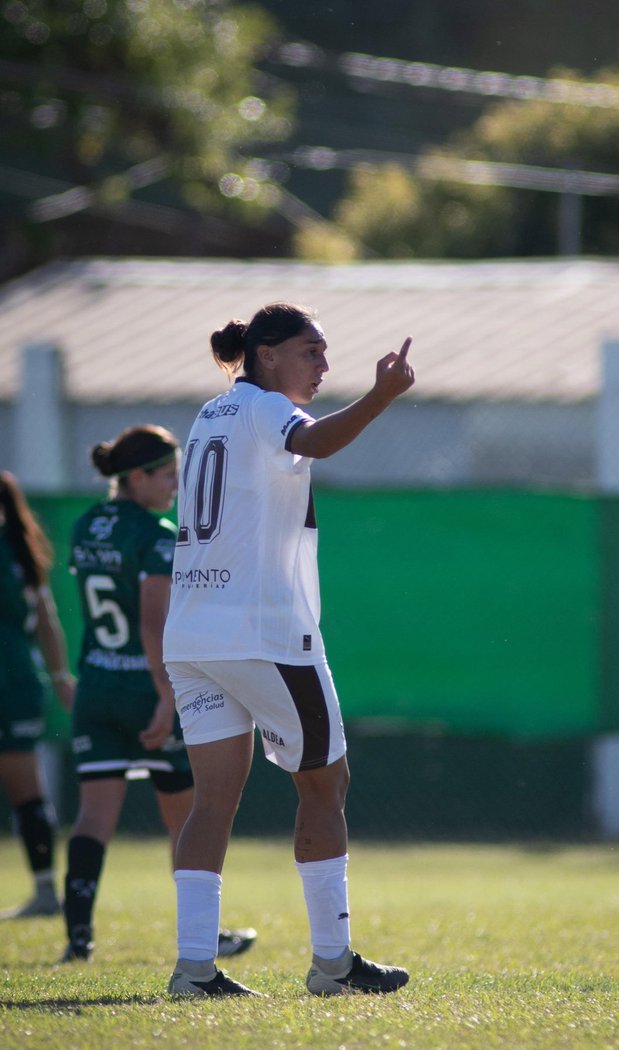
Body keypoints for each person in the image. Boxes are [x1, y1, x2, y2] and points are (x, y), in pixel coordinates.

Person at [162, 302, 415, 998]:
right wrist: (382, 395)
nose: (323, 365)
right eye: (312, 350)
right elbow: (317, 442)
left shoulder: (210, 413)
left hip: (193, 634)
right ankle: (333, 964)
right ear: (266, 354)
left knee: (213, 799)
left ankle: (193, 969)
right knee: (326, 784)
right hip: (262, 633)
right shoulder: (265, 407)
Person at [61, 426, 256, 963]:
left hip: (96, 686)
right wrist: (167, 697)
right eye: (168, 474)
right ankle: (203, 934)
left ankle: (77, 937)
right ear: (137, 477)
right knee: (187, 815)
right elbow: (153, 622)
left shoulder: (85, 524)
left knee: (93, 815)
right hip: (145, 692)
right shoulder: (158, 533)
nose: (176, 485)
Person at [0, 472, 75, 919]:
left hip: (12, 683)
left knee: (24, 788)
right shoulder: (20, 549)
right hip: (21, 681)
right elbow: (47, 619)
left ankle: (46, 892)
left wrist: (61, 675)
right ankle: (45, 890)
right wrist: (60, 676)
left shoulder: (15, 551)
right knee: (26, 790)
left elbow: (46, 619)